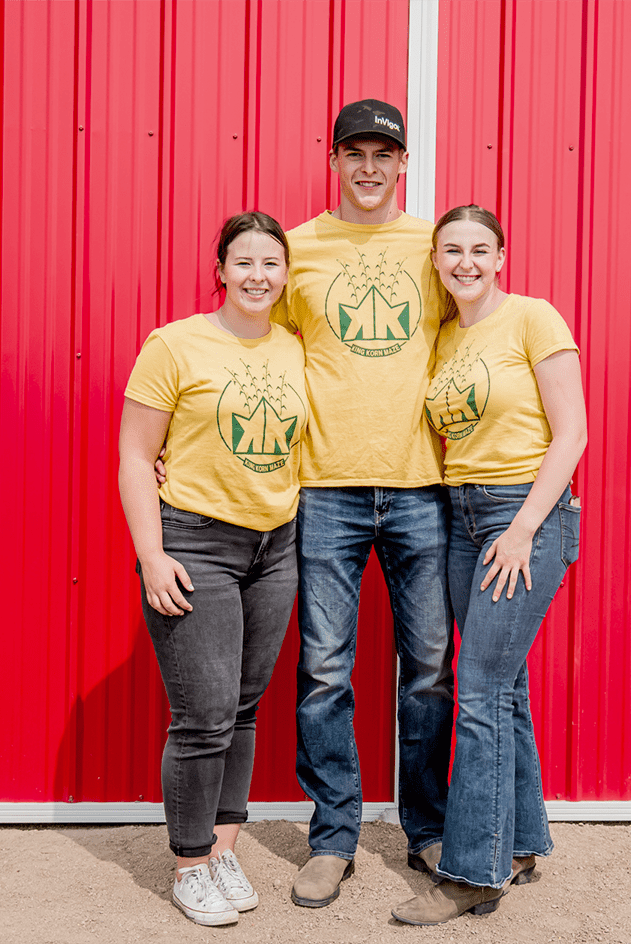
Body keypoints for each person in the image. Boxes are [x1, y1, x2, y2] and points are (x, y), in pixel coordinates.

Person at [274, 99, 455, 908]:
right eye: (357, 153)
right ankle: (333, 835)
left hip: (420, 484)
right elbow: (264, 349)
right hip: (325, 488)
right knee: (323, 670)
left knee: (428, 669)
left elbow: (477, 335)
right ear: (336, 160)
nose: (370, 168)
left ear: (403, 164)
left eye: (385, 154)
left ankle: (427, 827)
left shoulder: (433, 246)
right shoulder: (297, 248)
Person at [392, 205, 587, 925]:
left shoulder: (535, 318)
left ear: (501, 256)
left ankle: (475, 870)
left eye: (479, 249)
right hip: (459, 514)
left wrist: (524, 528)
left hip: (522, 512)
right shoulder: (442, 336)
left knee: (476, 688)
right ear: (437, 261)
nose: (465, 262)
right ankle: (524, 840)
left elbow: (572, 432)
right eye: (452, 251)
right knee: (502, 687)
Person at [118, 212, 307, 926]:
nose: (259, 276)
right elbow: (137, 456)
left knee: (244, 707)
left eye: (271, 263)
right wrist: (152, 553)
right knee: (202, 716)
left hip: (275, 546)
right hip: (196, 543)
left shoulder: (294, 349)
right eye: (244, 262)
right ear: (220, 269)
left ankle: (223, 847)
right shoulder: (174, 345)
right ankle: (190, 862)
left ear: (286, 275)